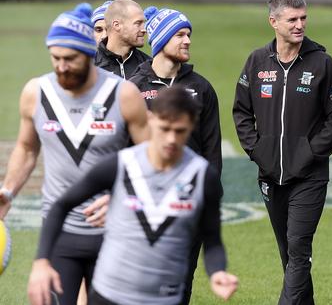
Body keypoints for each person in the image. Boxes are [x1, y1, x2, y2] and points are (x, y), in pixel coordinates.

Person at [27, 86, 238, 305]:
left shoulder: (204, 177)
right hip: (109, 296)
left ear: (192, 126)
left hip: (165, 299)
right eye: (164, 128)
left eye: (180, 130)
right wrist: (41, 261)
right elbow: (61, 205)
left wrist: (217, 272)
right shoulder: (121, 164)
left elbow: (212, 240)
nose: (171, 139)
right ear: (150, 119)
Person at [0, 3, 149, 305]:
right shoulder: (36, 93)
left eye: (70, 59)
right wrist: (8, 190)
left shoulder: (124, 95)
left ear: (88, 55)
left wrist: (124, 194)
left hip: (114, 233)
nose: (61, 66)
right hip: (60, 233)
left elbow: (153, 158)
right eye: (55, 58)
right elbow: (27, 149)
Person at [233, 0, 332, 304]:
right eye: (292, 19)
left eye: (303, 18)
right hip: (270, 175)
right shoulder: (256, 62)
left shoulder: (322, 63)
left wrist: (309, 153)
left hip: (309, 177)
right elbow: (241, 112)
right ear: (273, 21)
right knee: (289, 254)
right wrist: (257, 150)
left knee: (299, 249)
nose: (300, 25)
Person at [129, 6, 222, 305]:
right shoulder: (133, 88)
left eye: (189, 35)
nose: (187, 41)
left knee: (181, 283)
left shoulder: (201, 89)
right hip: (144, 203)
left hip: (186, 202)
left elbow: (211, 150)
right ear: (160, 40)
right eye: (179, 35)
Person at [95, 0, 151, 79]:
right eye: (138, 23)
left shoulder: (149, 65)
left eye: (143, 23)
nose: (144, 29)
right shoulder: (89, 67)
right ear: (117, 25)